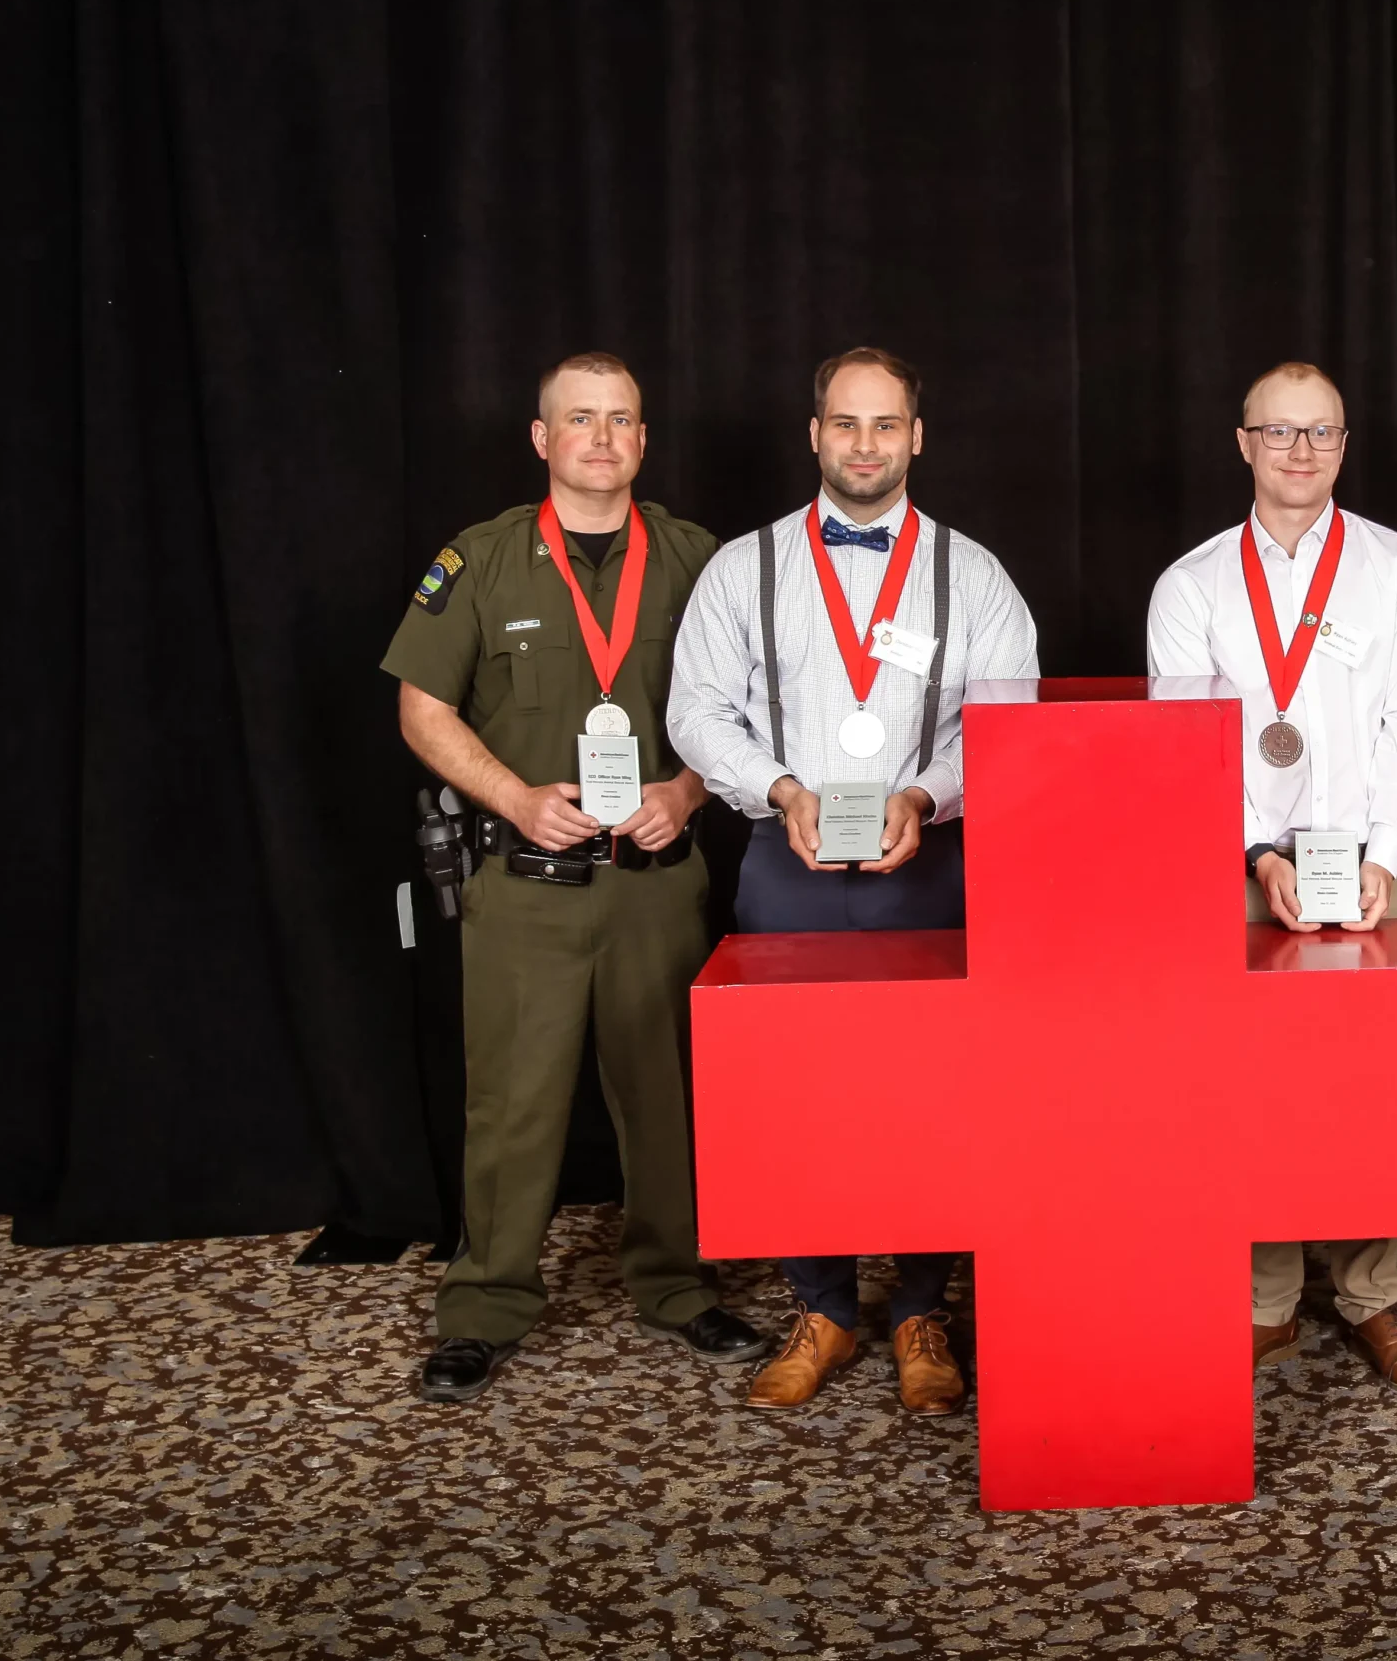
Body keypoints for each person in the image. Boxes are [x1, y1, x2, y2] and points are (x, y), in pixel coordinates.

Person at [384, 352, 771, 1403]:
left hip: (656, 882)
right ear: (541, 438)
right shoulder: (482, 562)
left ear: (644, 442)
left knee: (668, 1101)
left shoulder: (703, 563)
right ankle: (485, 1305)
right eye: (580, 419)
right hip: (526, 886)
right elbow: (424, 708)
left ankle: (678, 1287)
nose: (602, 438)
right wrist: (514, 798)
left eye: (622, 421)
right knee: (512, 1105)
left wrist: (689, 792)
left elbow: (750, 711)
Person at [667, 347, 1040, 1416]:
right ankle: (822, 1304)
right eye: (845, 424)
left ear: (916, 437)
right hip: (783, 868)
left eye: (886, 426)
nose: (865, 445)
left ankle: (922, 1307)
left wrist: (923, 796)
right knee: (792, 1095)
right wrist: (775, 786)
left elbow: (1004, 721)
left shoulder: (974, 575)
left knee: (937, 1094)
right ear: (813, 434)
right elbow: (696, 709)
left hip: (930, 870)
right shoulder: (745, 567)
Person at [1144, 361, 1397, 1395]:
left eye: (1320, 433)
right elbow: (1185, 747)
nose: (1300, 452)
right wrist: (1258, 853)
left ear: (1344, 444)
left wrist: (1377, 859)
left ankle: (1375, 1295)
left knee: (1373, 1091)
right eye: (1279, 433)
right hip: (1243, 873)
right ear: (1242, 443)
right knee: (1243, 1091)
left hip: (1373, 864)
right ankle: (1261, 1301)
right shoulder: (1189, 585)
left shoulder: (1396, 569)